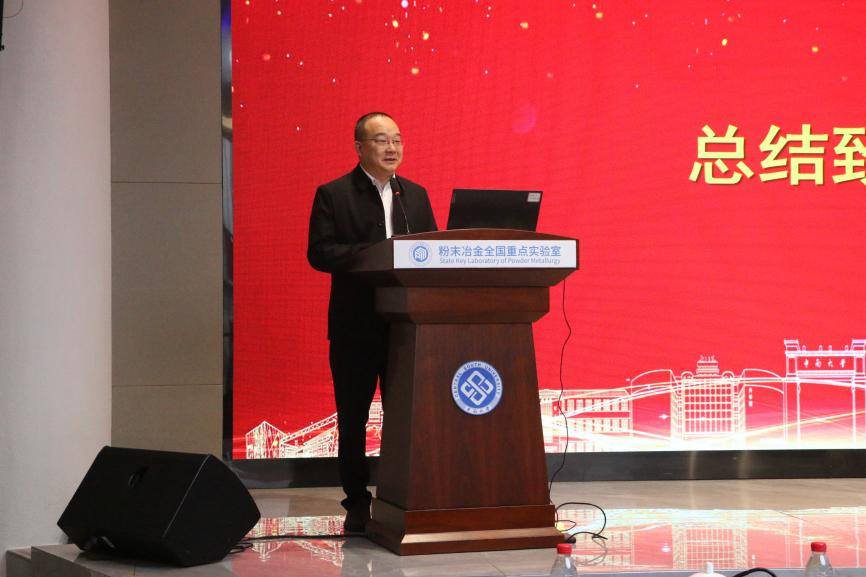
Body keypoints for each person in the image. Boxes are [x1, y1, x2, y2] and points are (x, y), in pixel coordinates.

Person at [307, 112, 437, 532]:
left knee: (408, 416)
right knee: (353, 418)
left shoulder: (414, 195)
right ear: (359, 147)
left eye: (397, 139)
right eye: (381, 140)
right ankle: (357, 503)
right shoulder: (333, 194)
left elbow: (433, 250)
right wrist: (376, 253)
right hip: (355, 327)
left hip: (407, 327)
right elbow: (320, 252)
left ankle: (408, 494)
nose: (392, 148)